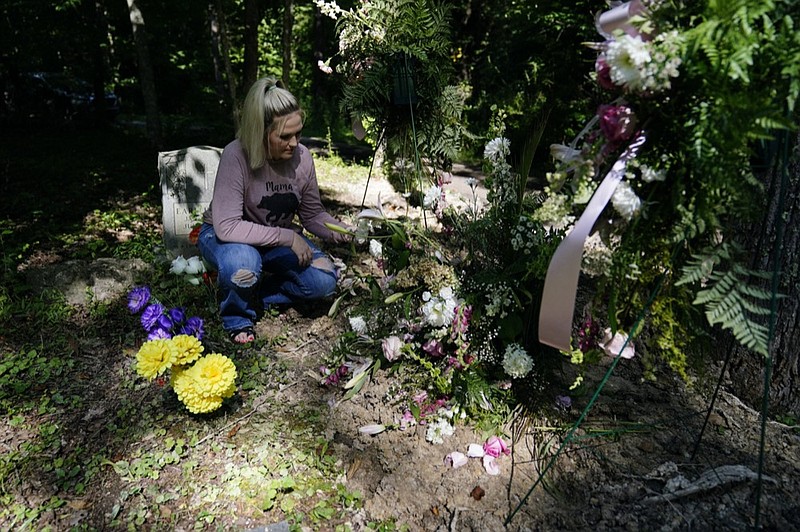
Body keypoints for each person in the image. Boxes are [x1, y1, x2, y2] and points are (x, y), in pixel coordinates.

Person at [197, 77, 351, 344]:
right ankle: (238, 318)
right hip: (228, 239)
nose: (294, 143)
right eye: (284, 136)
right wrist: (288, 237)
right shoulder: (237, 155)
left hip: (272, 242)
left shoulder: (303, 158)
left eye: (298, 133)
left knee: (324, 279)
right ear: (261, 131)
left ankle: (257, 293)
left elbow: (312, 214)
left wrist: (340, 230)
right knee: (243, 264)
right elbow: (228, 226)